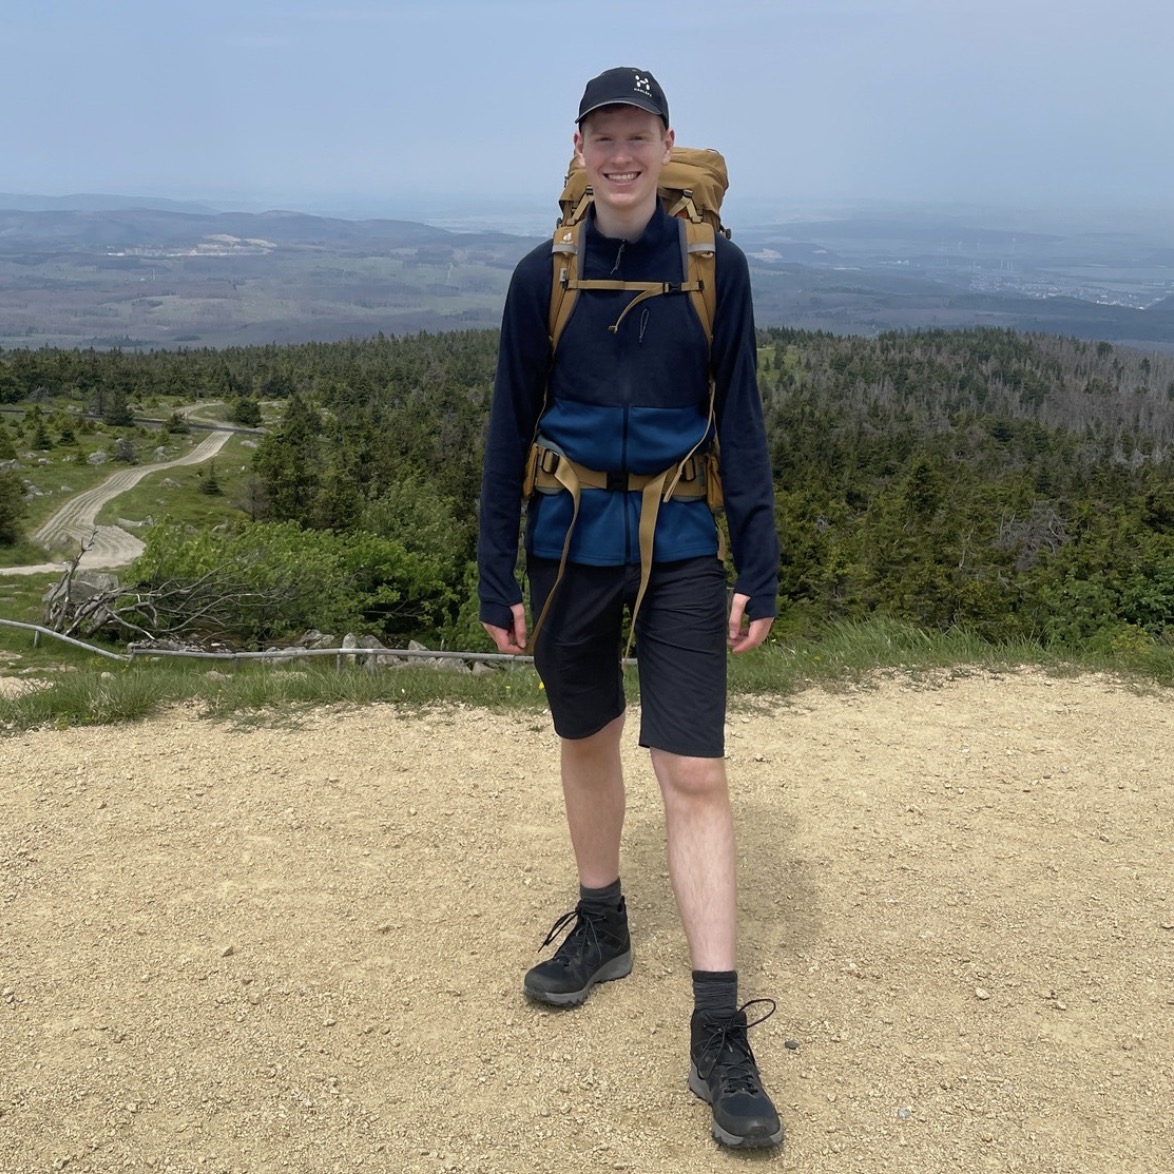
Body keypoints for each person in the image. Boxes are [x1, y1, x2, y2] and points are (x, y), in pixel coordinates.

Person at [477, 66, 783, 1149]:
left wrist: (761, 550)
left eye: (636, 135)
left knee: (692, 767)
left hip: (687, 544)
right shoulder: (540, 276)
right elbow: (509, 427)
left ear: (665, 143)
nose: (619, 154)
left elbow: (736, 412)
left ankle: (716, 1023)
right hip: (566, 543)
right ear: (579, 146)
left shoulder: (713, 269)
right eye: (603, 136)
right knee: (588, 735)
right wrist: (491, 569)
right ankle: (602, 922)